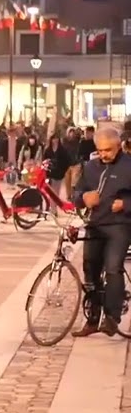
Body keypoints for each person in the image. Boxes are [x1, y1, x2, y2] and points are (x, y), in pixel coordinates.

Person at [72, 127, 131, 337]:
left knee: (113, 267)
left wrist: (125, 203)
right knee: (90, 272)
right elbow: (76, 194)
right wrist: (83, 197)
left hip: (120, 225)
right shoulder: (90, 167)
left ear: (119, 146)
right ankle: (92, 318)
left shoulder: (129, 166)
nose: (104, 154)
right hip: (95, 224)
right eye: (100, 150)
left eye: (108, 150)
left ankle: (112, 318)